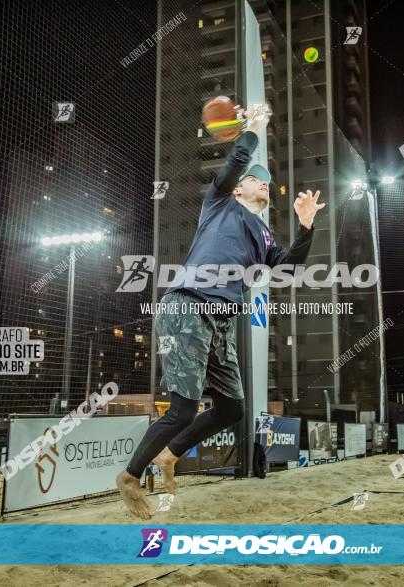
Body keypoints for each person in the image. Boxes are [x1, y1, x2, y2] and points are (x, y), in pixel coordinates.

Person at [116, 106, 325, 519]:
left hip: (222, 320)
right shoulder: (218, 204)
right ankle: (130, 476)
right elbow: (237, 161)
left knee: (233, 408)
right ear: (237, 190)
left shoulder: (264, 235)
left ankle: (170, 457)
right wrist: (255, 129)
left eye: (267, 183)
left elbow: (288, 268)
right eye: (254, 180)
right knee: (182, 410)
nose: (262, 184)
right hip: (188, 306)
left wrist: (306, 228)